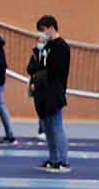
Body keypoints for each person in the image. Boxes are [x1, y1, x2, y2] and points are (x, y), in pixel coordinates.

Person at [27, 15, 72, 173]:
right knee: (47, 127)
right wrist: (38, 52)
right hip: (42, 92)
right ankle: (53, 159)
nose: (41, 34)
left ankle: (63, 161)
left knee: (56, 125)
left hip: (54, 91)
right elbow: (33, 67)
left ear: (51, 28)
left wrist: (41, 71)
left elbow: (54, 71)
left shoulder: (61, 47)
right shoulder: (45, 47)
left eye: (43, 30)